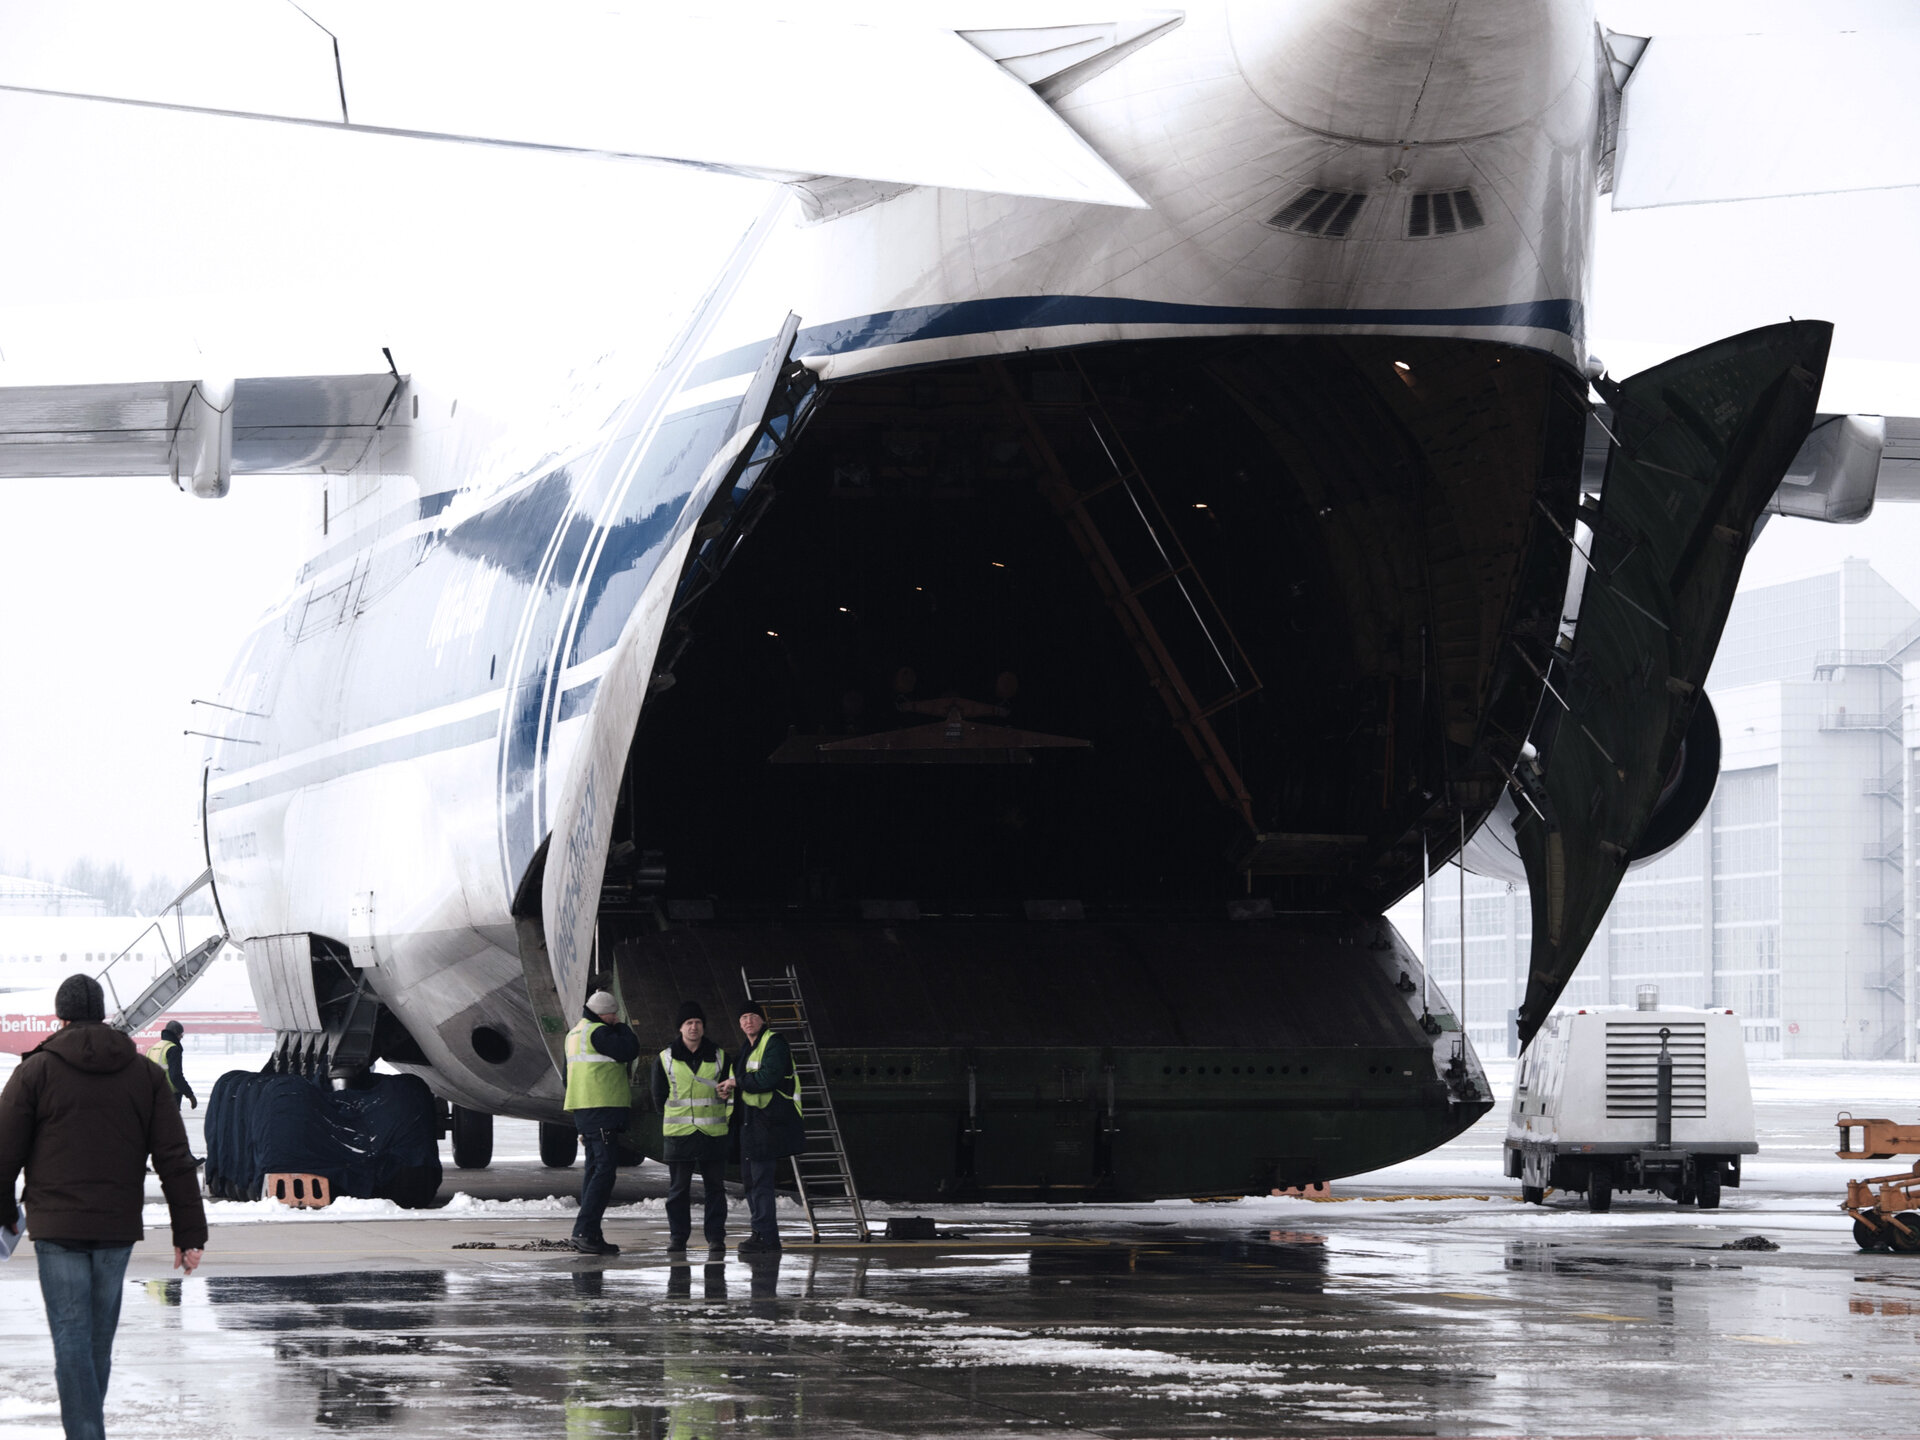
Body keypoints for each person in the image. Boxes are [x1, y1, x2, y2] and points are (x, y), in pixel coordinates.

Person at [0, 974, 206, 1440]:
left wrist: (5, 1213)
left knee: (72, 1338)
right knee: (95, 1342)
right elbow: (174, 1159)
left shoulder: (35, 1071)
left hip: (56, 1226)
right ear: (104, 1014)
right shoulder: (145, 1076)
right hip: (116, 1226)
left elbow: (3, 1152)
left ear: (61, 1015)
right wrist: (189, 1233)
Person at [718, 1000, 804, 1255]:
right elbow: (746, 1083)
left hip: (766, 1123)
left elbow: (768, 1078)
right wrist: (729, 1089)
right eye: (743, 1017)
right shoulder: (747, 1048)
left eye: (752, 1016)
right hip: (749, 1124)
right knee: (751, 1183)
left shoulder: (774, 1043)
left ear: (762, 1020)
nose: (747, 1021)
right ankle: (759, 1232)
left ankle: (766, 1236)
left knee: (761, 1182)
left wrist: (736, 1082)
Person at [650, 1000, 731, 1262]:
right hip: (680, 1135)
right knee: (678, 1190)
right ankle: (678, 1237)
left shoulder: (720, 1056)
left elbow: (731, 1092)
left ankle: (716, 1238)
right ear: (680, 1028)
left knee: (715, 1190)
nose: (693, 1027)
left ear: (703, 1027)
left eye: (697, 1023)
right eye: (689, 1023)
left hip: (712, 1134)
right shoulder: (665, 1059)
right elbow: (658, 1096)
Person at [563, 988, 639, 1256]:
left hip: (584, 1110)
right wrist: (624, 1027)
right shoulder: (599, 1032)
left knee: (594, 1170)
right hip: (601, 1108)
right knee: (605, 1171)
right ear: (604, 1013)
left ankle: (591, 1233)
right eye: (613, 1014)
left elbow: (566, 1076)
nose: (614, 1017)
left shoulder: (574, 1033)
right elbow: (630, 1050)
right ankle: (584, 1230)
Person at [145, 1020, 197, 1113]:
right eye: (181, 1034)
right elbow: (176, 1076)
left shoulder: (152, 1049)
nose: (181, 1037)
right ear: (176, 1034)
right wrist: (190, 1095)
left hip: (152, 1095)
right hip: (169, 1096)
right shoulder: (173, 1049)